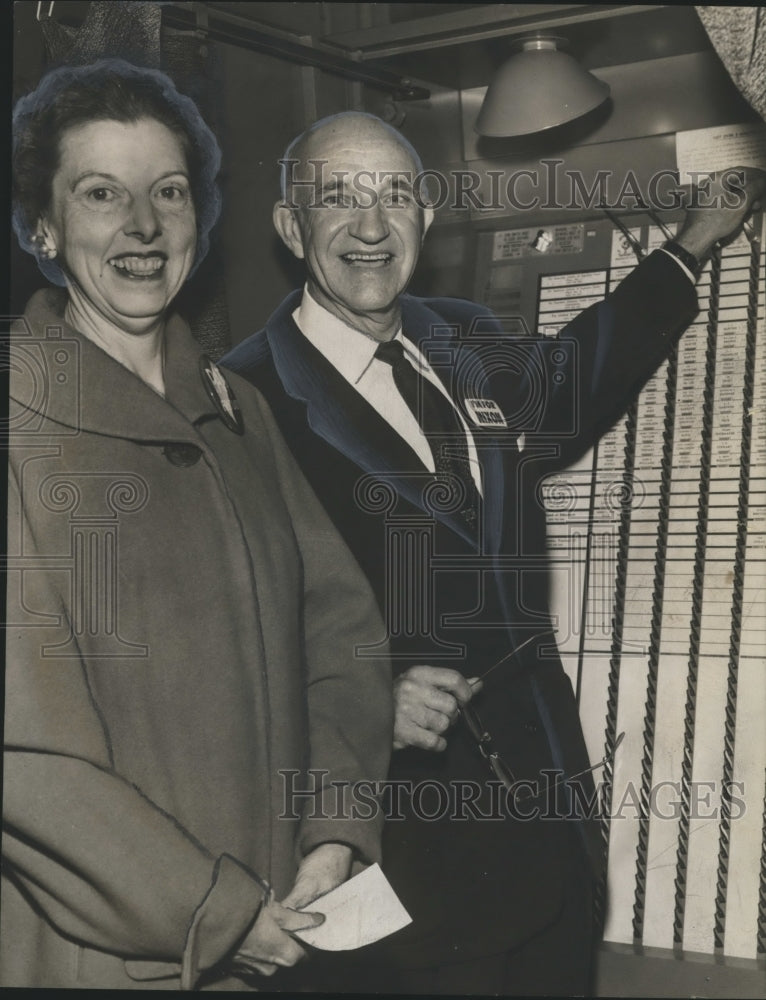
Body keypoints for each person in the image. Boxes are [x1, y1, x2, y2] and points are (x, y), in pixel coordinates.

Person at [222, 111, 765, 995]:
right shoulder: (242, 404)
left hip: (545, 828)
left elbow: (580, 377)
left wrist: (692, 242)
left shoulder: (461, 337)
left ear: (426, 218)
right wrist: (360, 705)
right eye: (337, 200)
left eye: (396, 195)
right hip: (402, 858)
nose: (370, 227)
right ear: (291, 227)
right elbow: (214, 646)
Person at [4, 66, 392, 991]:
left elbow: (341, 634)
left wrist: (335, 829)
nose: (143, 225)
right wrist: (212, 915)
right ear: (43, 229)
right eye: (102, 193)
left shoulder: (241, 410)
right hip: (94, 960)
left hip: (279, 932)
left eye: (168, 192)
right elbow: (25, 755)